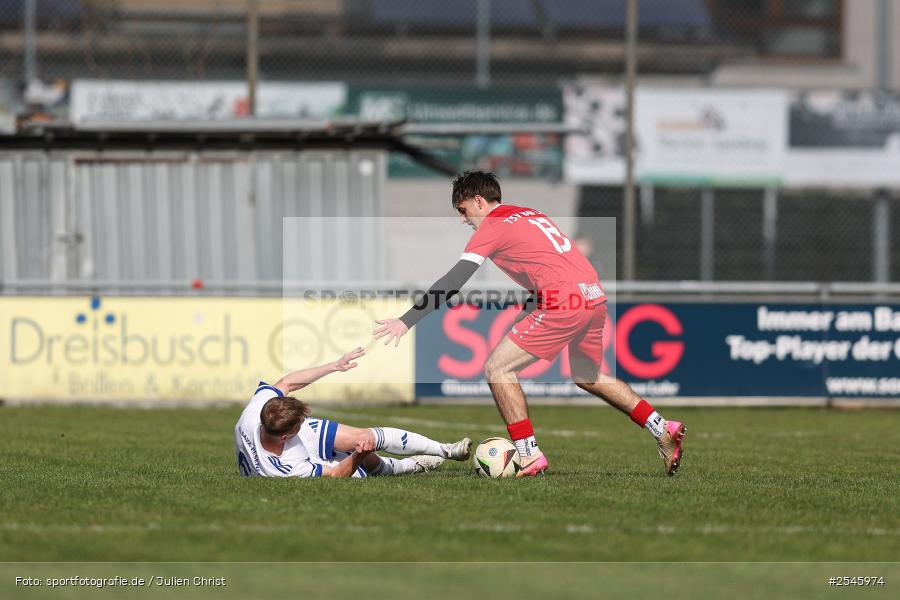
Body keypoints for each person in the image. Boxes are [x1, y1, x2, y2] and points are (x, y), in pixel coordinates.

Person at [373, 171, 686, 477]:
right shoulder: (528, 213)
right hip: (592, 296)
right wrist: (530, 308)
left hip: (562, 302)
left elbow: (454, 280)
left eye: (463, 210)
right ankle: (661, 427)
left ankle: (528, 454)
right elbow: (549, 263)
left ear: (479, 201)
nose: (463, 219)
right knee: (588, 375)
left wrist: (407, 319)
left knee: (497, 369)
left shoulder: (490, 227)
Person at [235, 347, 472, 478]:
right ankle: (411, 466)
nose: (305, 421)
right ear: (286, 435)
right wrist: (357, 456)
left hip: (286, 443)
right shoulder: (285, 469)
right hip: (301, 459)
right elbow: (337, 475)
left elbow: (286, 382)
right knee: (366, 464)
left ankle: (446, 449)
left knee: (361, 437)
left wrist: (334, 366)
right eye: (300, 422)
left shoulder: (257, 412)